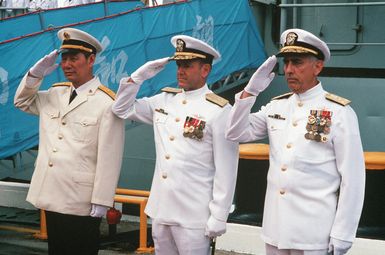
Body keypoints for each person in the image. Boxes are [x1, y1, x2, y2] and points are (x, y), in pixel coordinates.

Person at [225, 28, 365, 255]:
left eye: (297, 62)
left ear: (317, 66)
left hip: (313, 233)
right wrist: (249, 93)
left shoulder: (339, 112)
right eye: (287, 62)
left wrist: (343, 232)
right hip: (276, 230)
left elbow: (353, 178)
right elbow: (235, 133)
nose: (289, 69)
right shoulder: (277, 106)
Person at [112, 35, 239, 255]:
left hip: (194, 215)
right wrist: (137, 78)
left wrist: (219, 215)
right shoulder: (164, 101)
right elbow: (121, 108)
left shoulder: (219, 111)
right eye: (179, 65)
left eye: (187, 65)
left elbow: (226, 169)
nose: (180, 70)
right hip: (162, 210)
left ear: (205, 70)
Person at [14, 27, 125, 255]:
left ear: (91, 60)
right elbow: (22, 102)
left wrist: (102, 199)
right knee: (57, 249)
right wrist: (35, 76)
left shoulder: (106, 103)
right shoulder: (55, 93)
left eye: (74, 59)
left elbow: (110, 157)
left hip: (80, 199)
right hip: (51, 193)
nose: (67, 65)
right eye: (64, 59)